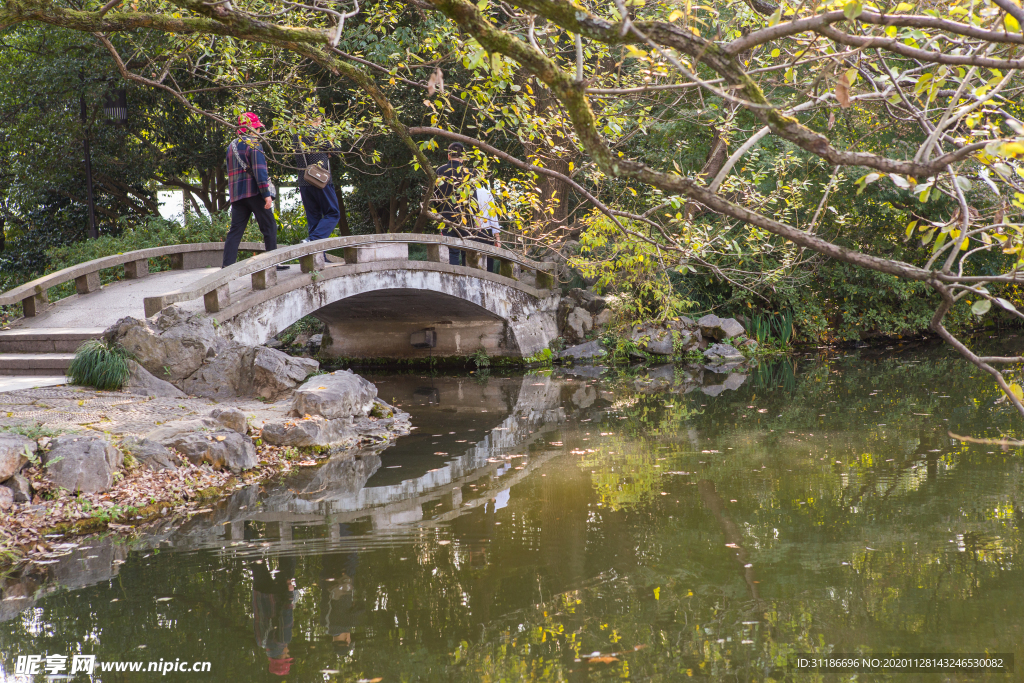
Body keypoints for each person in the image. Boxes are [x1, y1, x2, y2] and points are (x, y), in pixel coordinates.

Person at [223, 112, 288, 270]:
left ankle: (227, 267)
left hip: (237, 195)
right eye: (258, 128)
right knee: (269, 226)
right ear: (250, 128)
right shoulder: (254, 145)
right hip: (254, 193)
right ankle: (272, 263)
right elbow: (260, 173)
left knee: (235, 231)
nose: (259, 132)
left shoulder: (231, 146)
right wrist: (266, 195)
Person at [251, 555, 297, 677]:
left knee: (286, 557)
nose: (288, 652)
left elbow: (286, 616)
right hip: (260, 593)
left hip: (278, 596)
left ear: (281, 656)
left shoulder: (283, 641)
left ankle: (284, 539)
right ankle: (250, 537)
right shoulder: (261, 642)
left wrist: (290, 594)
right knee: (255, 559)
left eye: (286, 656)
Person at [294, 124, 340, 242]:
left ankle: (318, 259)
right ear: (316, 119)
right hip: (321, 180)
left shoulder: (296, 134)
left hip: (304, 181)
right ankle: (312, 240)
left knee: (314, 219)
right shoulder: (319, 133)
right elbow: (336, 149)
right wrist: (328, 151)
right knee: (333, 213)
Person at [434, 142, 474, 266]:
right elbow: (473, 198)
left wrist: (437, 212)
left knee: (452, 251)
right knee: (467, 251)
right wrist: (475, 216)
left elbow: (435, 196)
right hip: (466, 217)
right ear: (463, 157)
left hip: (446, 215)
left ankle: (454, 279)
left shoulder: (441, 171)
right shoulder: (469, 172)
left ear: (448, 156)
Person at [472, 182, 501, 272]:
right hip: (486, 231)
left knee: (473, 263)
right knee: (488, 265)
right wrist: (497, 238)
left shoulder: (465, 193)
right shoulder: (487, 193)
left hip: (470, 231)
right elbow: (493, 217)